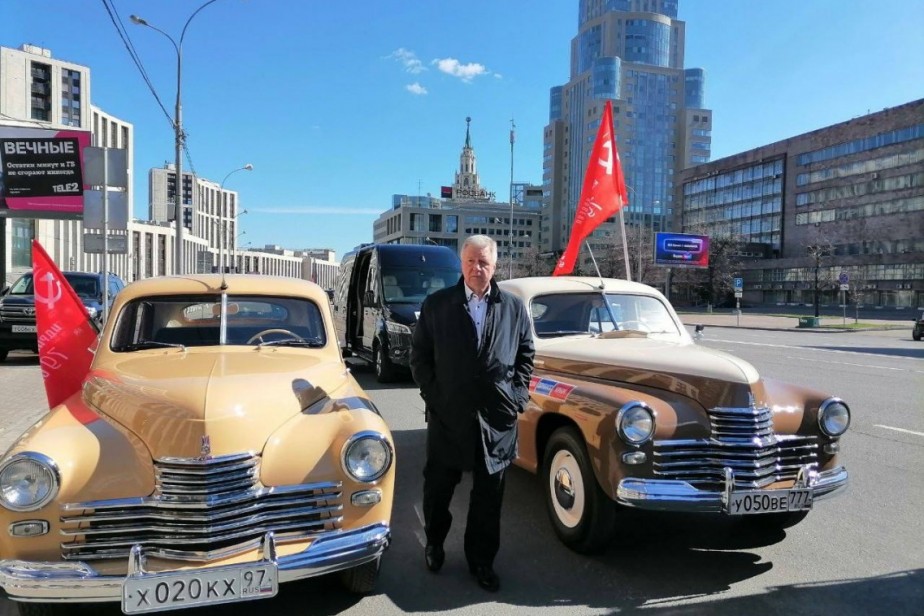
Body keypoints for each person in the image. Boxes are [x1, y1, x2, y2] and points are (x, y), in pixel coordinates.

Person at [410, 234, 535, 592]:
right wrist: (436, 398)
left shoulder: (512, 307)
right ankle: (434, 543)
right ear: (461, 263)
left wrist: (516, 397)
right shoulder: (438, 305)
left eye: (483, 262)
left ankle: (481, 561)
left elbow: (526, 354)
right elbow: (420, 358)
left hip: (496, 420)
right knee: (438, 489)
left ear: (495, 265)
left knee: (488, 498)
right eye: (470, 261)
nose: (476, 268)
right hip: (449, 418)